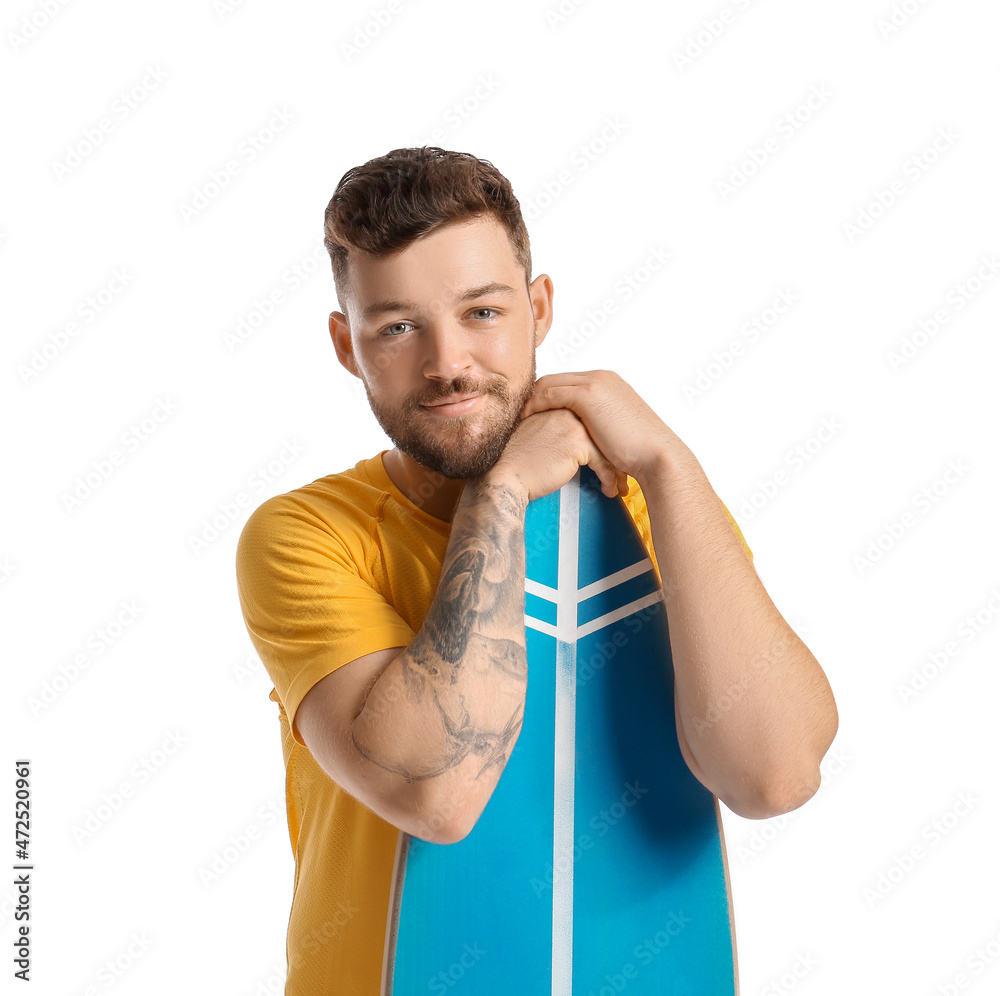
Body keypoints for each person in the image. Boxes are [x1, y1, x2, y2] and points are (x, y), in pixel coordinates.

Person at [234, 146, 839, 995]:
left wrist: (668, 464)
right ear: (347, 344)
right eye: (398, 327)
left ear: (539, 308)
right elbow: (439, 796)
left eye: (482, 311)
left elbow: (775, 775)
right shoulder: (308, 535)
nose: (448, 362)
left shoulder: (653, 506)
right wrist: (505, 489)